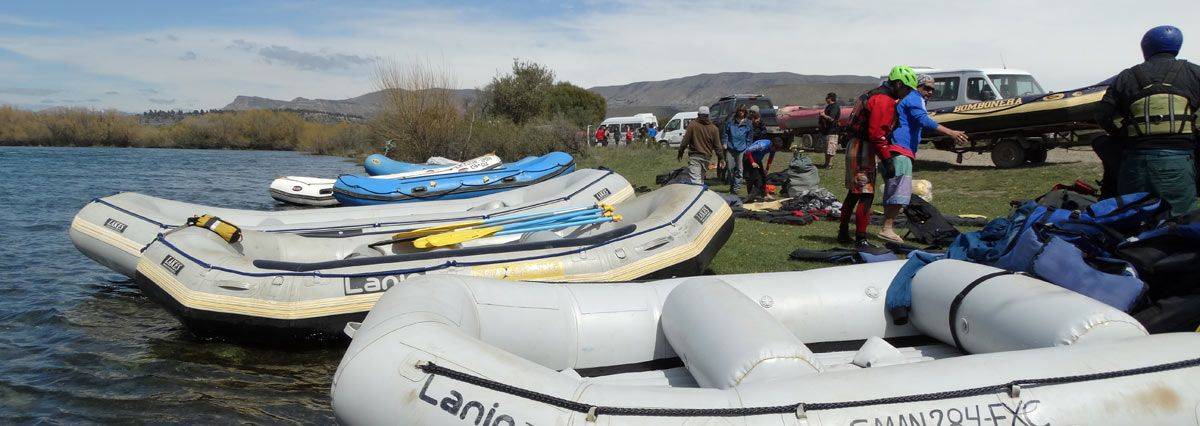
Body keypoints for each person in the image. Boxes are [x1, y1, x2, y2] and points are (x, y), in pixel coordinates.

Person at [1095, 25, 1200, 217]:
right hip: (1180, 163)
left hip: (1135, 163)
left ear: (1146, 48)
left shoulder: (1127, 76)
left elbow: (1102, 115)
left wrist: (1120, 135)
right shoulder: (1194, 72)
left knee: (1132, 222)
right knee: (1180, 225)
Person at [876, 70, 969, 243]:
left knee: (894, 191)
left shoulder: (909, 99)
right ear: (917, 87)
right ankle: (886, 229)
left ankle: (886, 228)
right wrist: (950, 132)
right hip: (901, 150)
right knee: (899, 192)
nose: (930, 92)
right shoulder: (914, 98)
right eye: (926, 88)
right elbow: (923, 120)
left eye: (933, 89)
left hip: (895, 149)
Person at [837, 74, 898, 246]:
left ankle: (843, 232)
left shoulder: (871, 93)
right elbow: (877, 134)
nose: (906, 93)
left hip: (855, 145)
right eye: (906, 89)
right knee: (866, 194)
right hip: (863, 148)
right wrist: (887, 159)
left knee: (854, 193)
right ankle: (861, 238)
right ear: (899, 84)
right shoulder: (883, 99)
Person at [676, 106, 724, 185]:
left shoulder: (692, 125)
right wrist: (721, 158)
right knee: (700, 180)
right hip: (706, 158)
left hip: (695, 157)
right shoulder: (714, 128)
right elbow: (718, 146)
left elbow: (685, 141)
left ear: (698, 115)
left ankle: (698, 196)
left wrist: (680, 152)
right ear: (708, 115)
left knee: (696, 182)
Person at [722, 106, 754, 194]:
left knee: (740, 170)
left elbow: (749, 137)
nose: (741, 113)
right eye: (740, 111)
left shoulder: (748, 123)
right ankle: (732, 184)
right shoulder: (730, 122)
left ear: (745, 112)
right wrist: (724, 143)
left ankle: (736, 189)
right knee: (729, 168)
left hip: (742, 149)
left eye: (743, 111)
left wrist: (748, 147)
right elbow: (725, 134)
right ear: (737, 112)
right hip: (730, 148)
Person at [819, 93, 842, 169]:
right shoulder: (829, 106)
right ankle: (826, 163)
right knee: (826, 148)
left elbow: (832, 118)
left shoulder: (835, 107)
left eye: (827, 97)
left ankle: (830, 164)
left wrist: (823, 115)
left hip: (832, 130)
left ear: (830, 98)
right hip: (827, 130)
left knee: (831, 148)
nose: (826, 99)